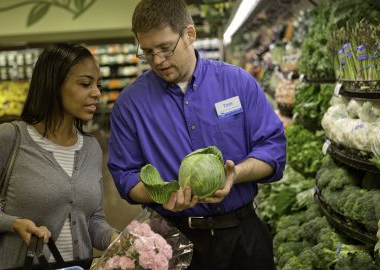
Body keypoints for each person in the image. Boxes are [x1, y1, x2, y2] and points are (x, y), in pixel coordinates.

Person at [107, 1, 286, 269]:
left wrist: (235, 173)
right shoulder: (129, 105)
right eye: (147, 52)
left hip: (242, 235)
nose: (157, 60)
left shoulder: (238, 82)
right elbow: (125, 175)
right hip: (173, 242)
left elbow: (273, 149)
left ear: (190, 34)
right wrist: (160, 194)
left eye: (166, 48)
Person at [0, 42, 118, 270]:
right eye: (85, 84)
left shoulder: (92, 148)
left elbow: (92, 220)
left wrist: (116, 239)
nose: (96, 93)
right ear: (53, 85)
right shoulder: (9, 139)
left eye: (98, 85)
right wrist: (11, 223)